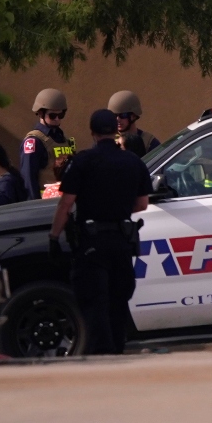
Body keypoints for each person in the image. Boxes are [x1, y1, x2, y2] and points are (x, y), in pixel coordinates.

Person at [48, 109, 153, 355]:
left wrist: (54, 237)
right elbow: (142, 205)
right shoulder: (133, 161)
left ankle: (101, 355)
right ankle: (117, 350)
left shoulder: (83, 161)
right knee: (118, 301)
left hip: (92, 244)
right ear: (116, 130)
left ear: (92, 132)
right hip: (121, 241)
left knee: (94, 303)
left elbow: (66, 204)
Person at [20, 88, 77, 199]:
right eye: (52, 115)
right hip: (45, 205)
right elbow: (28, 179)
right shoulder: (34, 141)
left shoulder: (65, 139)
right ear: (41, 113)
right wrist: (35, 207)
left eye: (61, 115)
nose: (57, 119)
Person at [108, 91, 161, 158]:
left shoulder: (149, 143)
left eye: (123, 115)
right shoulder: (107, 141)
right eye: (114, 115)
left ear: (133, 116)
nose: (118, 119)